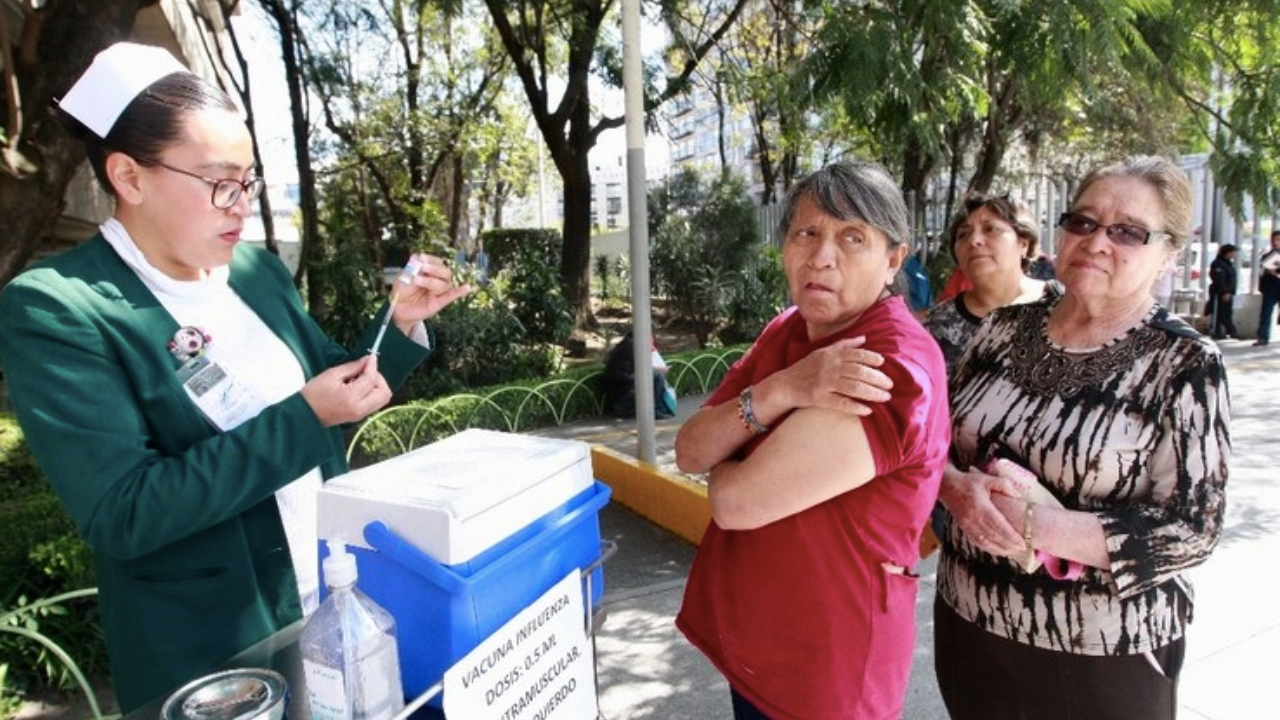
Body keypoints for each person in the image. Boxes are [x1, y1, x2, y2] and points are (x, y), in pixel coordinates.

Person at [0, 43, 468, 712]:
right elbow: (123, 511)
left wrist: (397, 326)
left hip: (333, 600)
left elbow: (335, 390)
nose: (240, 205)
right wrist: (304, 418)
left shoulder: (255, 273)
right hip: (212, 655)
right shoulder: (59, 306)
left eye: (247, 182)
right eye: (220, 182)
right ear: (129, 176)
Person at [932, 155, 1229, 720]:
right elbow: (932, 443)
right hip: (971, 620)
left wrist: (1030, 525)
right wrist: (954, 490)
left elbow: (1192, 530)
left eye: (1128, 232)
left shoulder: (1186, 362)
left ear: (1168, 253)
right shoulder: (1002, 327)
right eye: (1083, 222)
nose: (1096, 242)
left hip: (1103, 647)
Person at [675, 161, 950, 720]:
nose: (822, 257)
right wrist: (784, 389)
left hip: (828, 668)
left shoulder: (889, 364)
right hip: (754, 641)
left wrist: (732, 447)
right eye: (806, 232)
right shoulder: (788, 328)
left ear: (894, 259)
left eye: (853, 238)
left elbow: (733, 502)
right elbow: (690, 451)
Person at [923, 192, 1058, 376]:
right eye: (963, 234)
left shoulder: (1063, 305)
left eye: (991, 229)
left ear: (1024, 244)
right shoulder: (935, 327)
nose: (974, 241)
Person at [1253, 230, 1280, 346]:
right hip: (1270, 288)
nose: (1276, 242)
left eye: (1278, 240)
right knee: (1266, 313)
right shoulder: (1267, 255)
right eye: (1274, 240)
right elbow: (1266, 269)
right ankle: (1263, 337)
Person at [1207, 242, 1239, 339]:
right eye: (1232, 252)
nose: (1234, 254)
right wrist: (1225, 292)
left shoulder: (1227, 264)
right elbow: (1219, 279)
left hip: (1228, 292)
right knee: (1220, 313)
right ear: (1227, 253)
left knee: (1226, 313)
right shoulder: (1218, 264)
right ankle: (1223, 331)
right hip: (1220, 293)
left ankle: (1227, 331)